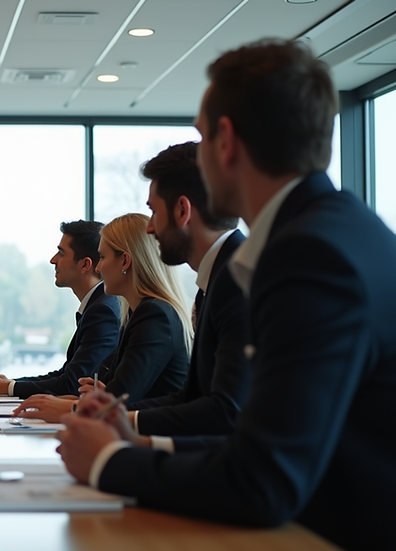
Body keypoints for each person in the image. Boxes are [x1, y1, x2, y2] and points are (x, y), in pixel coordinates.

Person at [56, 39, 396, 551]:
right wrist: (135, 438)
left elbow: (263, 478)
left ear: (227, 142)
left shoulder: (306, 255)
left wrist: (109, 461)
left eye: (200, 136)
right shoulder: (347, 229)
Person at [123, 141, 250, 436]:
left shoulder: (239, 280)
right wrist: (111, 416)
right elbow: (191, 397)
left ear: (182, 211)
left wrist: (122, 424)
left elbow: (227, 410)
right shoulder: (219, 277)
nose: (150, 228)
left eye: (153, 212)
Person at [14, 213, 192, 420]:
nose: (98, 268)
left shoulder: (154, 315)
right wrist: (97, 395)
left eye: (104, 257)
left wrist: (74, 406)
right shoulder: (137, 313)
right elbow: (109, 392)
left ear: (125, 261)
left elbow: (118, 400)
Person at [0, 220, 121, 398]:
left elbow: (71, 383)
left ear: (85, 265)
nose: (53, 260)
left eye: (61, 253)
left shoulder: (102, 311)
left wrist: (8, 387)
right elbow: (64, 374)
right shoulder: (98, 305)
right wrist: (9, 384)